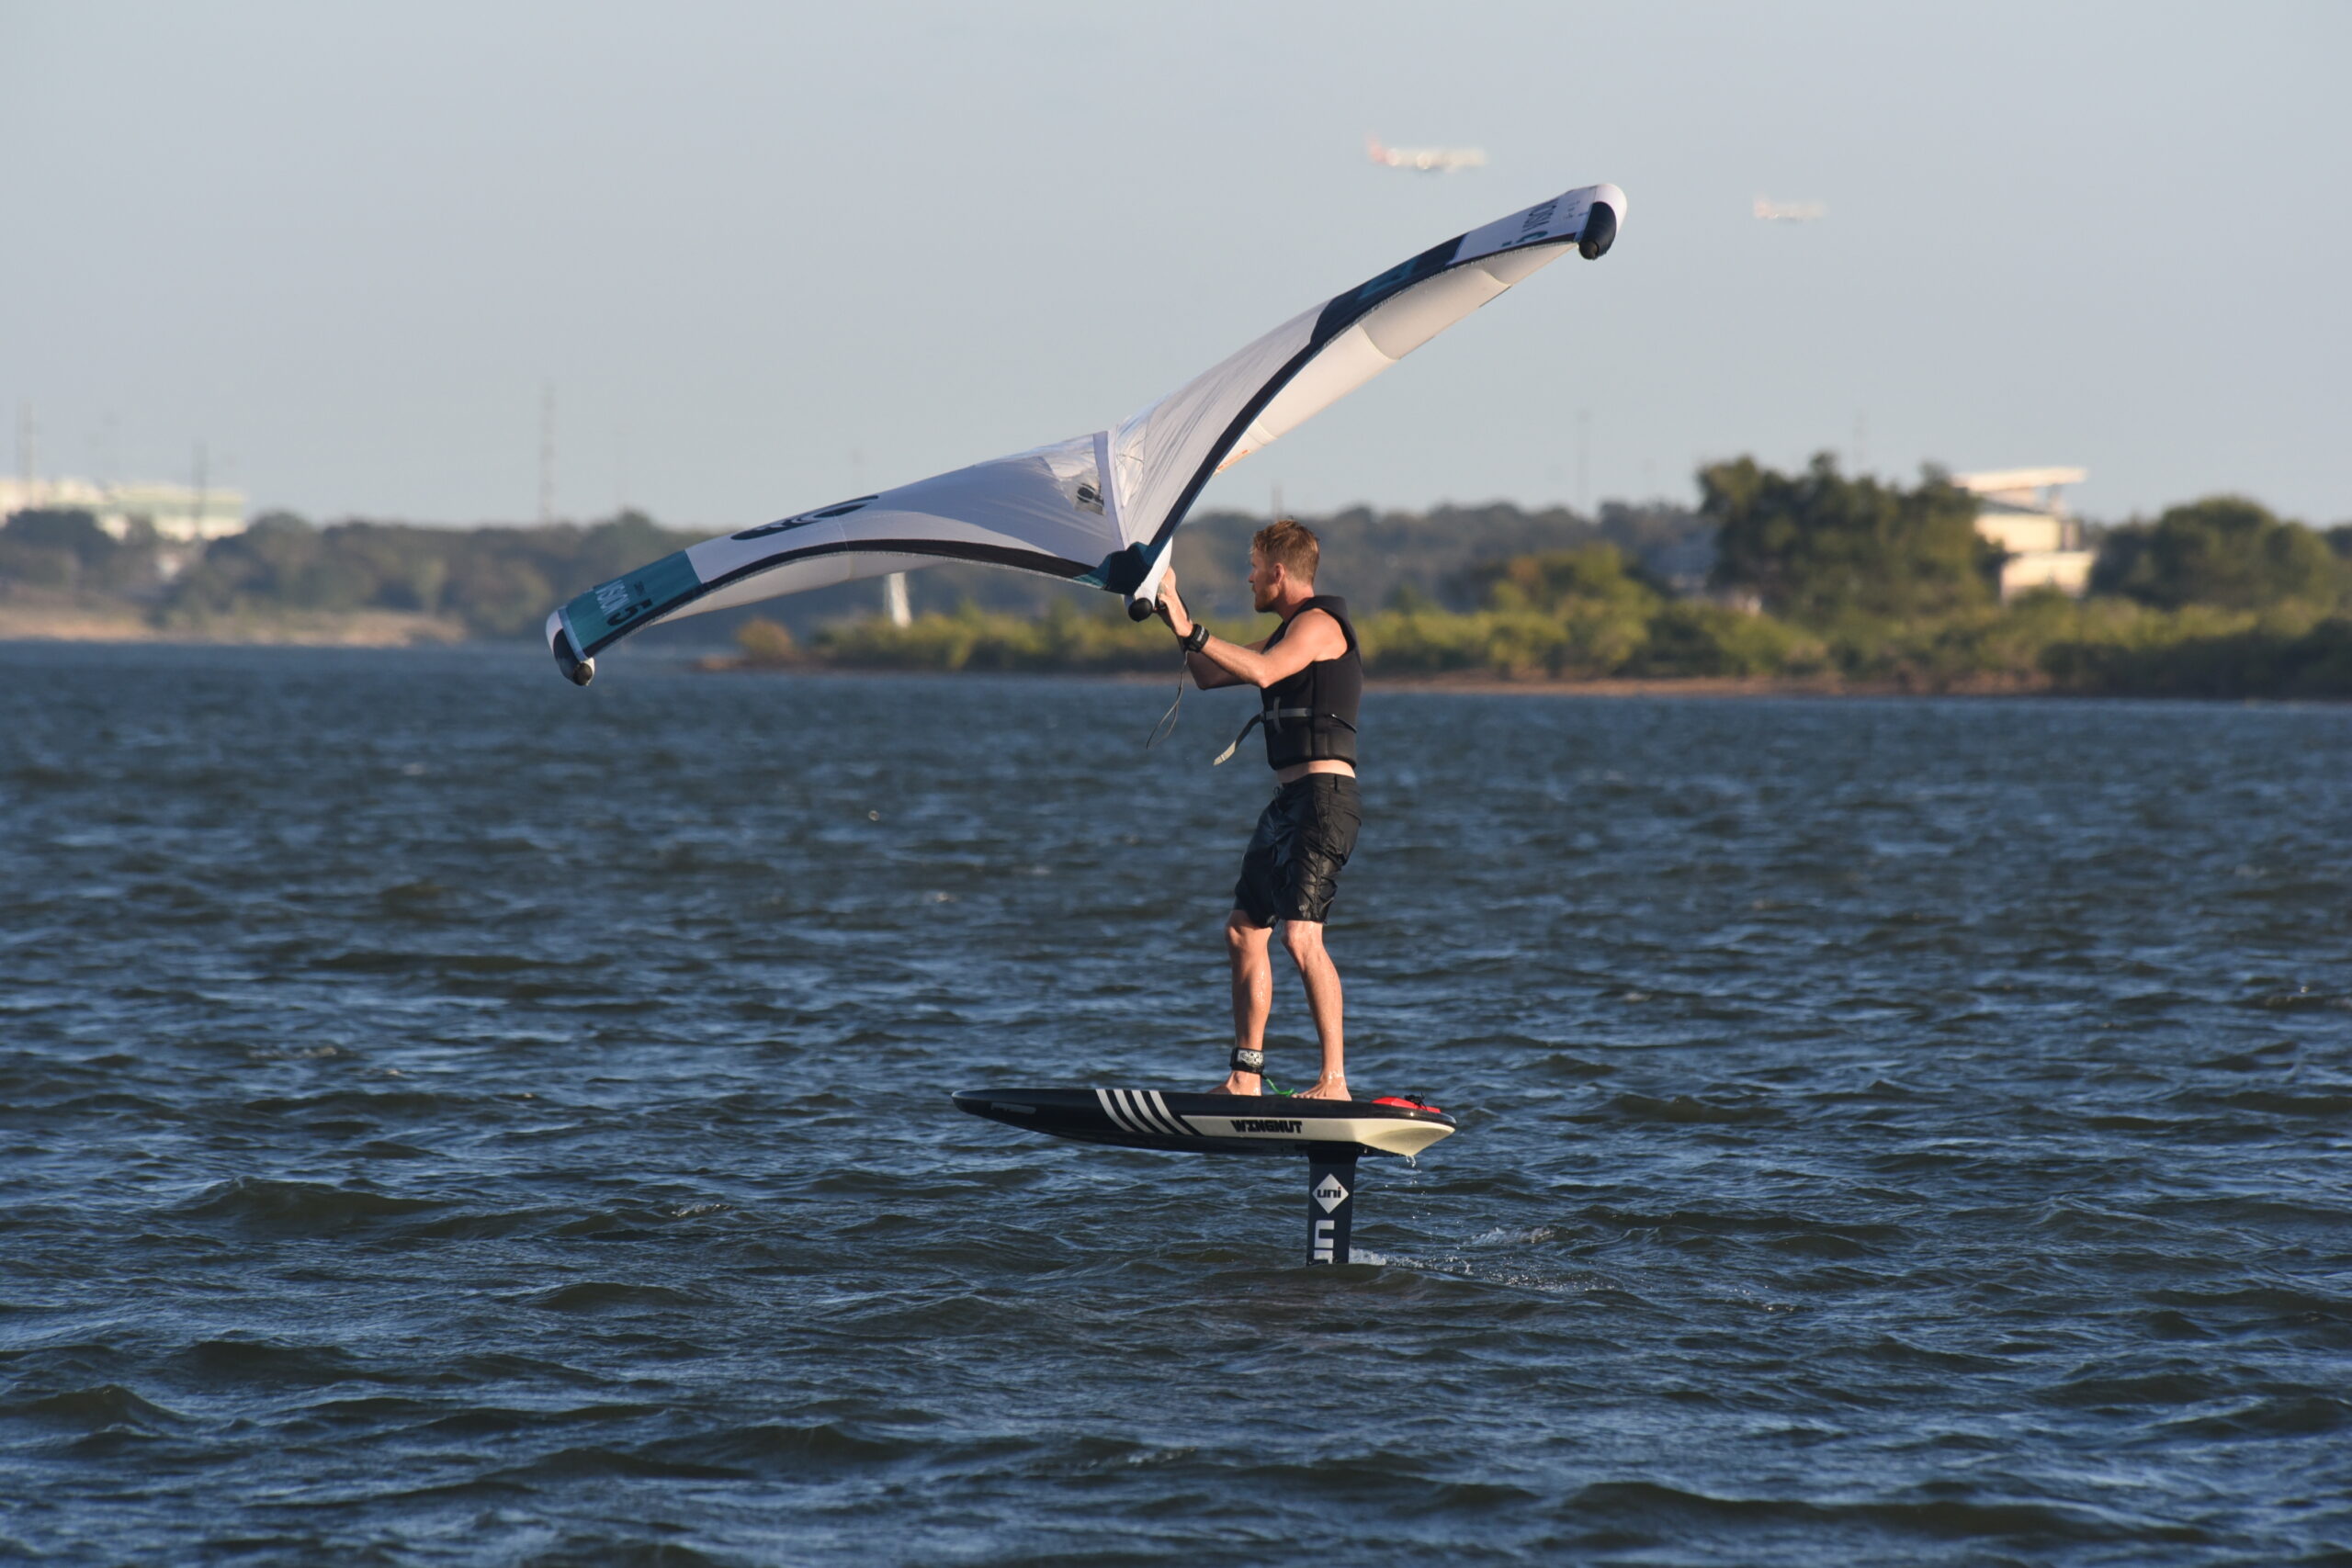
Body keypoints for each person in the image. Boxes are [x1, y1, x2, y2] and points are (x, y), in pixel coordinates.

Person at [1155, 519, 1363, 1101]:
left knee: (1301, 936)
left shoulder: (1319, 626)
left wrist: (1192, 628)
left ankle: (1334, 1082)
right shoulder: (1283, 634)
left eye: (1252, 566)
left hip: (1325, 803)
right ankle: (1246, 1077)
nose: (1247, 578)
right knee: (1245, 931)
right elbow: (1207, 672)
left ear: (1278, 571)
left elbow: (1267, 673)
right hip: (1288, 803)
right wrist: (1172, 603)